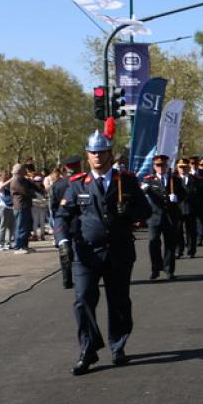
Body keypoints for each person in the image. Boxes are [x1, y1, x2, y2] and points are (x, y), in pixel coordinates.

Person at [53, 128, 151, 375]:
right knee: (83, 299)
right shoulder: (76, 185)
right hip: (86, 253)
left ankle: (118, 345)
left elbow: (145, 212)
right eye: (93, 152)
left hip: (118, 251)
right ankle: (87, 349)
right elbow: (62, 216)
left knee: (118, 302)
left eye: (101, 152)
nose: (97, 157)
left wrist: (129, 212)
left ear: (110, 154)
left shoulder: (125, 181)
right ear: (87, 156)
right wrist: (62, 241)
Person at [141, 154, 186, 280]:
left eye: (162, 165)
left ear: (167, 165)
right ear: (154, 167)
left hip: (170, 216)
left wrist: (177, 197)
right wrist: (143, 190)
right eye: (157, 165)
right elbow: (142, 192)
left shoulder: (175, 180)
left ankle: (169, 269)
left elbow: (184, 193)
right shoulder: (148, 180)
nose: (160, 167)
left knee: (170, 244)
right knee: (153, 242)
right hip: (154, 216)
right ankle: (155, 268)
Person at [48, 156, 82, 289]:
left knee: (64, 251)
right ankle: (80, 277)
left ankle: (66, 279)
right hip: (80, 221)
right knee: (80, 251)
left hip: (63, 222)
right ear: (78, 166)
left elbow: (53, 206)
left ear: (66, 168)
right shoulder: (82, 182)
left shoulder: (57, 185)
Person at [10, 163, 42, 254]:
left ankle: (24, 245)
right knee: (21, 227)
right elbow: (25, 191)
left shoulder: (22, 179)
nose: (26, 171)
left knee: (27, 227)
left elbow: (31, 186)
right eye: (24, 170)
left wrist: (38, 190)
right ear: (20, 171)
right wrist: (35, 194)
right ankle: (18, 247)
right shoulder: (16, 180)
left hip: (26, 205)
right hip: (20, 206)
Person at [175, 158, 199, 259]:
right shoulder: (173, 180)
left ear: (188, 168)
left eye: (185, 167)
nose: (183, 169)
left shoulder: (195, 179)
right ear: (177, 168)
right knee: (178, 231)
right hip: (178, 209)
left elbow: (200, 193)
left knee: (191, 231)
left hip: (191, 208)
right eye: (181, 167)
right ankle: (179, 250)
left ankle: (191, 250)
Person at [0, 172, 15, 250]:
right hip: (3, 207)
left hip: (11, 207)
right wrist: (11, 179)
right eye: (5, 176)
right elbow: (1, 188)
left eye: (7, 176)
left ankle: (8, 243)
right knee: (2, 226)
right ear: (0, 176)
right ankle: (0, 244)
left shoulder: (8, 186)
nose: (6, 177)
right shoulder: (0, 183)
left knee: (11, 227)